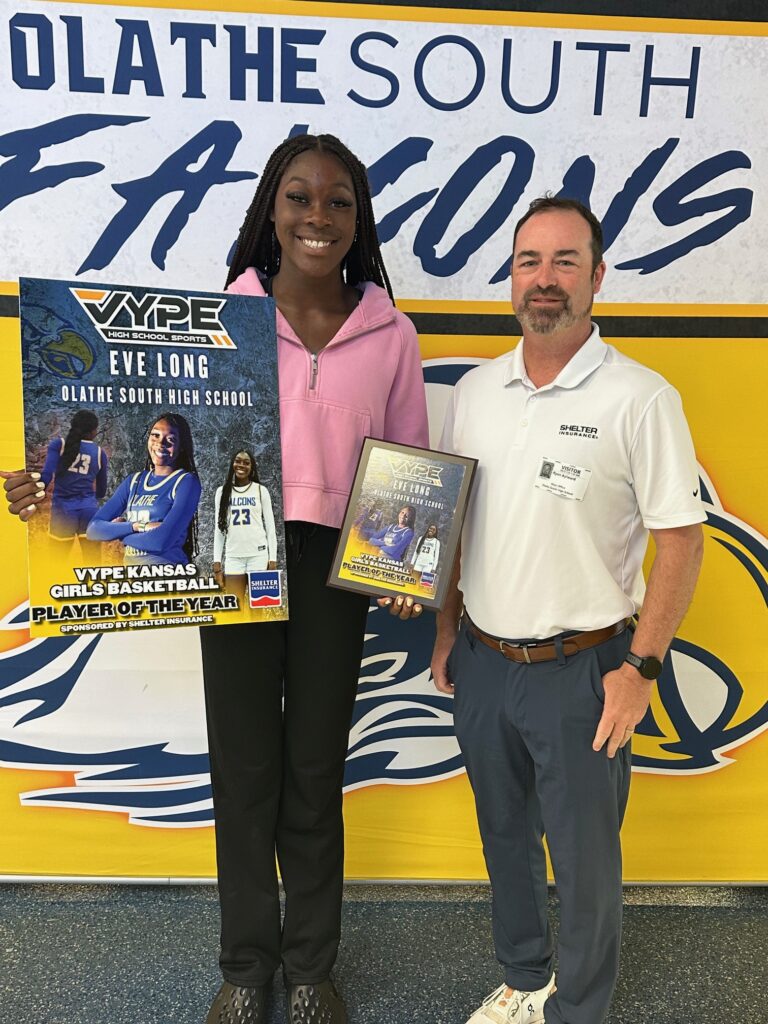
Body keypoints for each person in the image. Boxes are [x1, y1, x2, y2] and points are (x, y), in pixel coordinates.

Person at [431, 196, 705, 1024]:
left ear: (597, 277)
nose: (543, 279)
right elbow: (452, 519)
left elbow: (682, 543)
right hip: (483, 663)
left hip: (586, 670)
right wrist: (446, 630)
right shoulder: (475, 392)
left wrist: (640, 670)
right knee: (504, 836)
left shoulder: (640, 397)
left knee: (585, 864)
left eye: (564, 261)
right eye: (529, 261)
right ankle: (524, 980)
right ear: (510, 277)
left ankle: (579, 1010)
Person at [199, 134, 428, 1024]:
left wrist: (409, 565)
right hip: (239, 559)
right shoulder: (222, 318)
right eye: (299, 197)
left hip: (337, 569)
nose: (318, 216)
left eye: (338, 201)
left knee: (313, 770)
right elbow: (166, 443)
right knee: (244, 772)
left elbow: (408, 467)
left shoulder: (392, 334)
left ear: (358, 220)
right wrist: (57, 481)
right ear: (272, 208)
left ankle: (309, 969)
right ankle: (245, 967)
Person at [86, 412, 201, 566]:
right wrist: (137, 526)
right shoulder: (134, 481)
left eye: (171, 439)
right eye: (155, 435)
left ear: (181, 447)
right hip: (133, 576)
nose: (160, 443)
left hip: (169, 575)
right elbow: (93, 530)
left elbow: (160, 541)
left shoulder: (186, 482)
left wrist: (118, 534)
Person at [40, 409, 108, 560]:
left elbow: (46, 476)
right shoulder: (99, 453)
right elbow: (102, 491)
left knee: (56, 562)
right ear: (93, 431)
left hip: (63, 512)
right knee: (93, 565)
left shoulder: (59, 445)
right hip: (89, 511)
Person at [212, 448, 278, 602]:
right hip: (234, 557)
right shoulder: (222, 492)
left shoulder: (261, 491)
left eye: (246, 463)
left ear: (252, 467)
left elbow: (270, 528)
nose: (241, 465)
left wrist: (272, 559)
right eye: (238, 461)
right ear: (232, 464)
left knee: (259, 607)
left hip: (258, 556)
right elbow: (219, 530)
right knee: (236, 606)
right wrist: (217, 562)